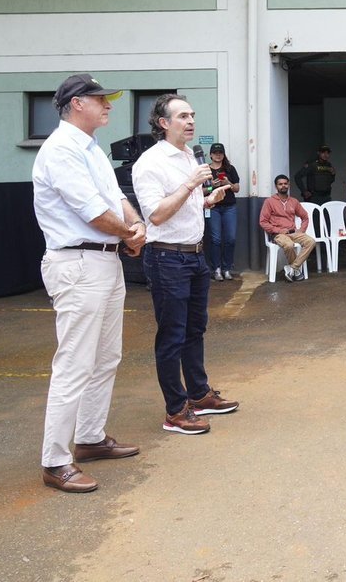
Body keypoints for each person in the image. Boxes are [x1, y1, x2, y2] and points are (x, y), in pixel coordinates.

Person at [32, 74, 146, 493]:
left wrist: (134, 226)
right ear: (77, 104)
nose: (109, 106)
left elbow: (115, 198)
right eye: (102, 100)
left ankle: (90, 439)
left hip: (102, 261)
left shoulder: (91, 150)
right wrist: (129, 233)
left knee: (106, 356)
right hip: (77, 262)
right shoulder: (61, 149)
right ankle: (55, 461)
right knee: (75, 363)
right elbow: (91, 211)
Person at [131, 94, 236, 436]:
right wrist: (191, 183)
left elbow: (182, 206)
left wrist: (207, 198)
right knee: (172, 335)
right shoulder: (150, 163)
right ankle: (176, 411)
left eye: (192, 115)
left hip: (194, 255)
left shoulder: (190, 155)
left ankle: (199, 394)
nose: (191, 121)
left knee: (195, 329)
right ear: (163, 123)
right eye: (182, 116)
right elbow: (156, 214)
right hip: (166, 257)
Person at [258, 175, 316, 282]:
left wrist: (301, 230)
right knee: (289, 245)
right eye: (280, 184)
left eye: (285, 183)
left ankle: (293, 268)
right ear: (276, 186)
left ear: (288, 185)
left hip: (294, 233)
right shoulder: (269, 201)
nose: (283, 186)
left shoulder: (294, 201)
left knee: (311, 242)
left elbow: (305, 217)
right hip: (278, 234)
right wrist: (278, 230)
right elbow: (263, 222)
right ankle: (296, 271)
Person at [205, 142, 240, 281]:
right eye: (215, 153)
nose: (218, 155)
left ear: (224, 154)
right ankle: (216, 269)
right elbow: (200, 191)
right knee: (215, 239)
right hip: (213, 208)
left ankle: (227, 268)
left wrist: (227, 183)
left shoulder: (230, 169)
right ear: (210, 155)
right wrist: (211, 187)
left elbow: (237, 188)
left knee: (230, 238)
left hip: (229, 207)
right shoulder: (206, 170)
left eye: (220, 153)